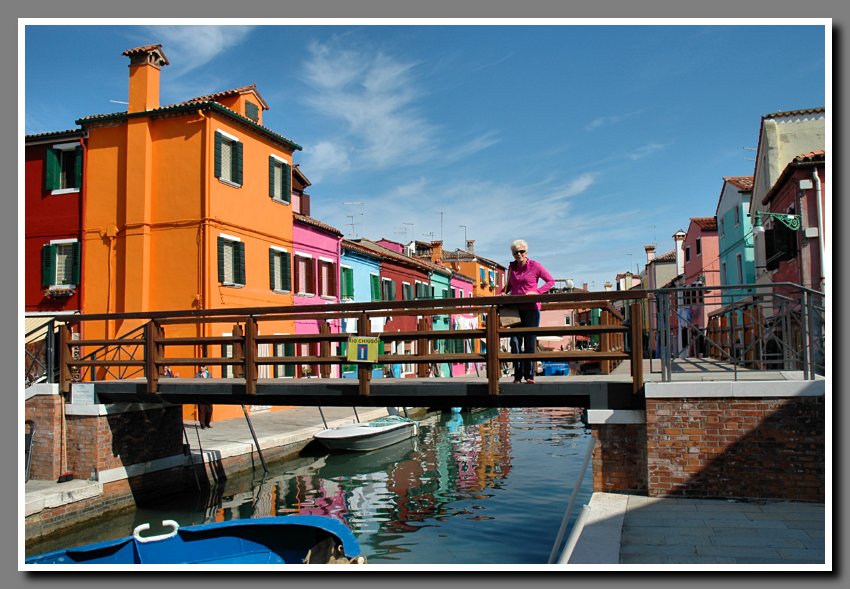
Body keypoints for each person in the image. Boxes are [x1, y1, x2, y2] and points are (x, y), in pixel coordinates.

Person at [503, 239, 555, 383]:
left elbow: (550, 281)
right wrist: (502, 293)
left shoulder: (535, 266)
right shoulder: (511, 267)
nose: (518, 254)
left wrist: (536, 292)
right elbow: (508, 287)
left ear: (526, 252)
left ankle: (529, 376)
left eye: (521, 251)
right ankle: (517, 375)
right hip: (514, 310)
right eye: (515, 252)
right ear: (513, 254)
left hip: (532, 309)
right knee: (514, 342)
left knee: (529, 343)